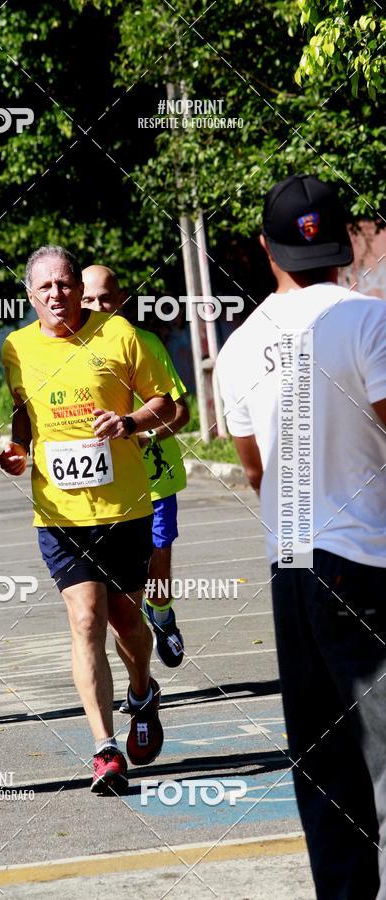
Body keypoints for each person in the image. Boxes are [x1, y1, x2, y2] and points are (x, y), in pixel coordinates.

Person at [215, 174, 386, 899]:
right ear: (346, 240)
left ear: (266, 248)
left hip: (293, 567)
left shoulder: (240, 345)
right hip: (370, 559)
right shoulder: (370, 320)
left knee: (325, 767)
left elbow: (254, 469)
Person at [0, 245, 176, 795]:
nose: (57, 294)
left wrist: (127, 421)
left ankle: (142, 691)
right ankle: (105, 748)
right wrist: (15, 448)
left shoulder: (118, 336)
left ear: (78, 287)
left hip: (124, 509)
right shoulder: (16, 348)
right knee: (85, 620)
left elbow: (169, 406)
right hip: (59, 513)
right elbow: (23, 416)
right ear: (30, 296)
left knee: (126, 620)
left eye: (65, 283)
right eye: (45, 287)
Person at [82, 265, 189, 668]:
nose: (97, 306)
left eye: (105, 299)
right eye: (88, 300)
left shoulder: (145, 342)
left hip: (154, 476)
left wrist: (144, 435)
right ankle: (135, 658)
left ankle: (161, 614)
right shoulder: (66, 350)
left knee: (157, 557)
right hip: (102, 484)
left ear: (121, 299)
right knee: (116, 586)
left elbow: (181, 411)